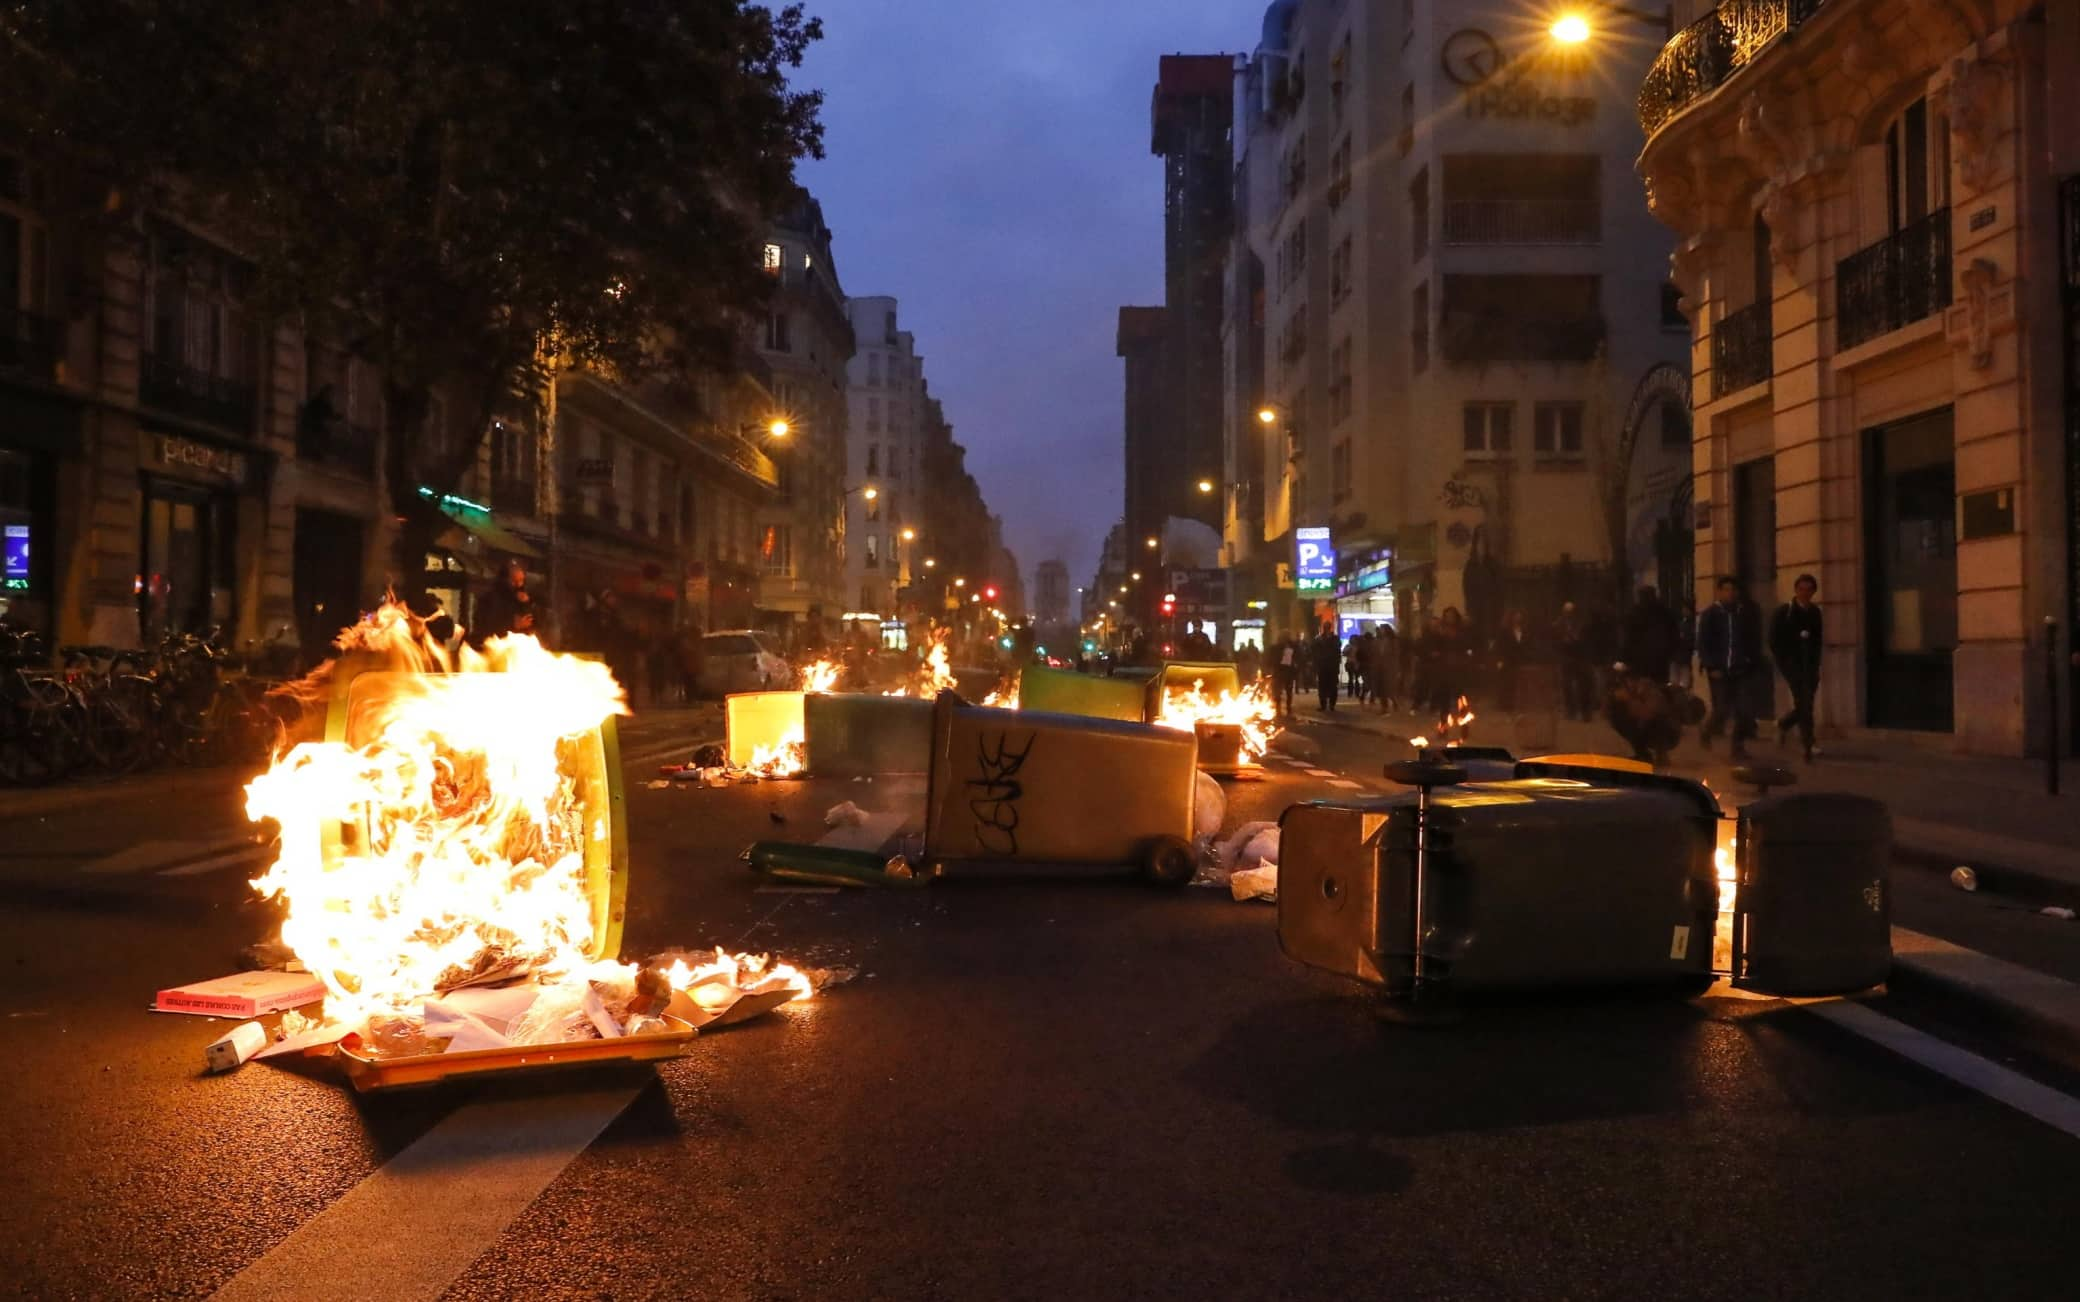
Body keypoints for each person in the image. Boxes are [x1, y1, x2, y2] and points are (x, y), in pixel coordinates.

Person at [1696, 575, 1763, 759]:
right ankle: (1707, 731)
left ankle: (1738, 746)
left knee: (1743, 709)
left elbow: (1753, 639)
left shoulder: (1745, 613)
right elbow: (1703, 642)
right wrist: (1710, 665)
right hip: (1719, 670)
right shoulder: (1710, 614)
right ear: (1719, 592)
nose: (1730, 594)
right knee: (1721, 709)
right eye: (1726, 590)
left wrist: (1751, 661)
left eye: (1733, 590)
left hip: (1741, 668)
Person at [1771, 573, 1824, 762]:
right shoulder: (1785, 612)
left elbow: (1818, 640)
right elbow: (1774, 640)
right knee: (1804, 703)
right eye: (1801, 589)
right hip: (1792, 666)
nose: (1805, 593)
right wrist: (1785, 662)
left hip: (1809, 665)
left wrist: (1816, 664)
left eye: (1809, 590)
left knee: (1805, 703)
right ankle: (1807, 743)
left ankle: (1784, 724)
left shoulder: (1815, 613)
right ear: (1796, 590)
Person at [470, 560, 536, 648]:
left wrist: (526, 604)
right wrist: (512, 623)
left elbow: (531, 624)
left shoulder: (523, 598)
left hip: (515, 650)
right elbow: (485, 624)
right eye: (513, 580)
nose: (518, 584)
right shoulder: (491, 597)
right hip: (493, 648)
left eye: (521, 580)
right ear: (504, 579)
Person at [1621, 586, 1680, 684]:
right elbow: (1674, 635)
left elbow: (1628, 638)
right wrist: (1670, 653)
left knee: (1641, 691)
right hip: (1660, 660)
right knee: (1659, 688)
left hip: (1638, 661)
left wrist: (1625, 658)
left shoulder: (1634, 613)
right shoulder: (1665, 612)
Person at [1553, 601, 1593, 721]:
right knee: (1567, 686)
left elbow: (1584, 638)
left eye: (1570, 611)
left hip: (1580, 657)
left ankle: (1585, 712)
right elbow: (1555, 639)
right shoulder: (1559, 623)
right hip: (1566, 657)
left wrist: (1575, 639)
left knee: (1583, 686)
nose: (1568, 614)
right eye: (1566, 611)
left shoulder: (1581, 623)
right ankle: (1571, 711)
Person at [1492, 609, 1533, 712]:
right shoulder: (1504, 630)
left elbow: (1526, 645)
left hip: (1521, 660)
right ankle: (1506, 705)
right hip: (1508, 660)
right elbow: (1499, 646)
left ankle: (1520, 703)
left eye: (1519, 615)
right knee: (1508, 683)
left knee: (1521, 683)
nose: (1518, 617)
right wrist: (1499, 660)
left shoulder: (1524, 630)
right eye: (1516, 615)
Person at [1312, 622, 1343, 713]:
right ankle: (1323, 705)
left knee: (1333, 686)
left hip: (1332, 666)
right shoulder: (1319, 639)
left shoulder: (1335, 638)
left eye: (1327, 627)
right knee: (1322, 686)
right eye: (1325, 627)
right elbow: (1314, 650)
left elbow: (1337, 649)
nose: (1326, 629)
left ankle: (1331, 705)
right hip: (1323, 666)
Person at [1368, 621, 1399, 714]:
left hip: (1389, 667)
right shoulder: (1377, 641)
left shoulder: (1393, 641)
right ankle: (1384, 708)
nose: (1381, 631)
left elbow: (1396, 654)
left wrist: (1396, 668)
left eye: (1382, 629)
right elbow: (1373, 653)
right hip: (1379, 667)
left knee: (1389, 688)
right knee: (1381, 689)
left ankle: (1394, 702)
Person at [1272, 637, 1299, 719]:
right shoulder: (1277, 649)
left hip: (1287, 673)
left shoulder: (1293, 648)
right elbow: (1273, 659)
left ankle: (1287, 709)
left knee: (1287, 692)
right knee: (1279, 692)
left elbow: (1296, 659)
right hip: (1281, 672)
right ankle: (1279, 710)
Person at [1345, 630, 1368, 704]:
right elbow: (1344, 652)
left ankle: (1357, 692)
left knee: (1357, 679)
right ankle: (1350, 692)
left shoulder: (1358, 646)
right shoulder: (1348, 646)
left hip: (1356, 663)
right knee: (1350, 678)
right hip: (1350, 663)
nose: (1353, 640)